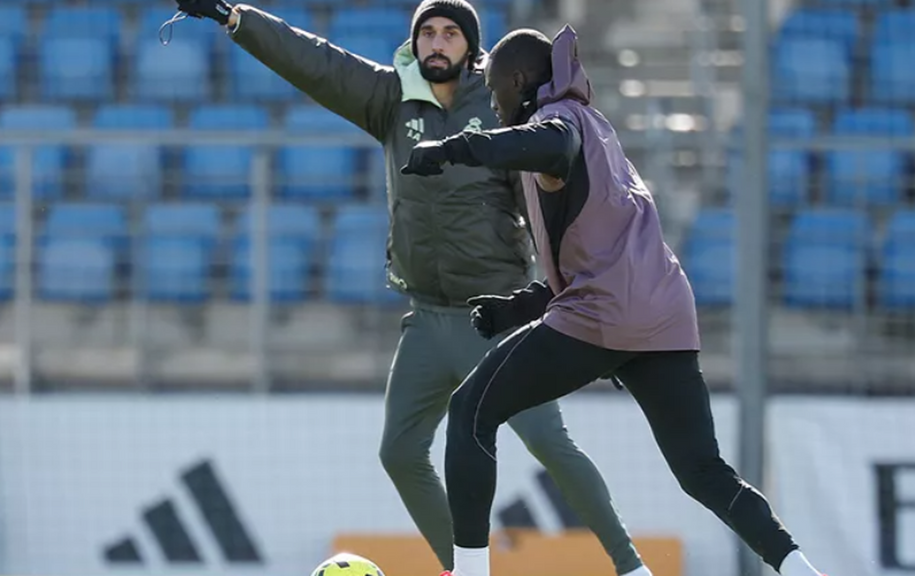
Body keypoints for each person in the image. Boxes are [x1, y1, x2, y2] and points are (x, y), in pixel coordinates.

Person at [163, 2, 653, 576]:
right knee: (399, 452)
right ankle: (464, 568)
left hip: (494, 320)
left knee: (551, 445)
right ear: (415, 42)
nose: (437, 43)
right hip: (425, 320)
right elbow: (316, 62)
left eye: (451, 33)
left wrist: (585, 316)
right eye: (428, 33)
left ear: (471, 47)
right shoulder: (390, 98)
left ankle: (630, 567)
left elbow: (553, 218)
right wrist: (235, 17)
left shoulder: (499, 108)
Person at [400, 25, 830, 576]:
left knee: (470, 414)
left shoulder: (556, 125)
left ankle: (471, 571)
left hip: (602, 315)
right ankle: (798, 568)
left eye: (491, 85)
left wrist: (454, 149)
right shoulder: (599, 127)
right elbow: (596, 253)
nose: (490, 98)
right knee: (702, 470)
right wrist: (517, 308)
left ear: (517, 80)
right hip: (664, 316)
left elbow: (554, 145)